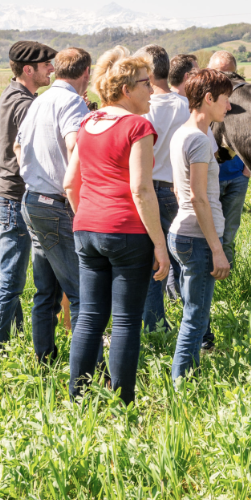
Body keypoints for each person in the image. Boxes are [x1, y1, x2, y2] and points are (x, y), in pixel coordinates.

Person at [64, 48, 171, 405]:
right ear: (126, 89)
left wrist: (89, 216)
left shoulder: (87, 123)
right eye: (146, 84)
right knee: (125, 321)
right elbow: (141, 189)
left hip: (87, 230)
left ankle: (78, 397)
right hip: (127, 231)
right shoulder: (137, 126)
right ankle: (123, 402)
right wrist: (159, 243)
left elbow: (69, 183)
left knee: (90, 317)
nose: (152, 91)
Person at [16, 46, 95, 363]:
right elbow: (75, 145)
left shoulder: (40, 100)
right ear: (85, 73)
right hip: (56, 203)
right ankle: (87, 370)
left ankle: (44, 359)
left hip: (32, 200)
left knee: (45, 290)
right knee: (80, 293)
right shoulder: (72, 102)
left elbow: (17, 145)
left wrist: (35, 174)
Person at [0, 40, 56, 349]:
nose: (52, 69)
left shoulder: (16, 93)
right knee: (10, 281)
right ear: (28, 70)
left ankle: (12, 336)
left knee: (9, 273)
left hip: (6, 194)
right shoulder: (26, 104)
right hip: (14, 198)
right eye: (46, 65)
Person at [168, 68, 234, 380]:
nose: (229, 106)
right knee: (196, 316)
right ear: (208, 99)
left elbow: (178, 188)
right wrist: (217, 249)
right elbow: (197, 197)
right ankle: (182, 385)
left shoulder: (187, 133)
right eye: (225, 100)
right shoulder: (198, 139)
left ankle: (186, 377)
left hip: (184, 231)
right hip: (197, 236)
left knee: (194, 312)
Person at [135, 44, 190, 326]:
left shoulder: (140, 108)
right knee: (184, 255)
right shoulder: (185, 106)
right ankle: (189, 313)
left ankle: (154, 322)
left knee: (152, 261)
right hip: (173, 188)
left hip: (144, 189)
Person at [208, 50, 248, 271]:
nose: (223, 80)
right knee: (208, 232)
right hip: (210, 178)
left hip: (237, 177)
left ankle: (227, 278)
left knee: (229, 234)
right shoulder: (201, 100)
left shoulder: (244, 99)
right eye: (218, 73)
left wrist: (247, 170)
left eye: (229, 75)